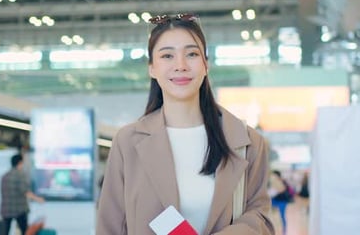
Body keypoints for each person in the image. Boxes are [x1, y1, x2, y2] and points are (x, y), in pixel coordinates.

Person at [97, 13, 274, 235]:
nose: (180, 65)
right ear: (152, 68)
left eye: (191, 54)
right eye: (167, 56)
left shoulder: (245, 141)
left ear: (205, 65)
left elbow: (260, 216)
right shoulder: (128, 142)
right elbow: (111, 225)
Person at [0, 154, 44, 235]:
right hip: (19, 209)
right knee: (25, 231)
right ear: (20, 163)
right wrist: (38, 199)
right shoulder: (20, 175)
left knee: (5, 231)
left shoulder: (5, 176)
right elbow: (25, 191)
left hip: (6, 209)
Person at [269, 170, 293, 234]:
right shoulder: (273, 182)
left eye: (274, 175)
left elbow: (281, 190)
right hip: (276, 200)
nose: (272, 176)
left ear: (277, 175)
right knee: (274, 215)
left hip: (282, 201)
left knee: (282, 215)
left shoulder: (282, 182)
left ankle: (284, 230)